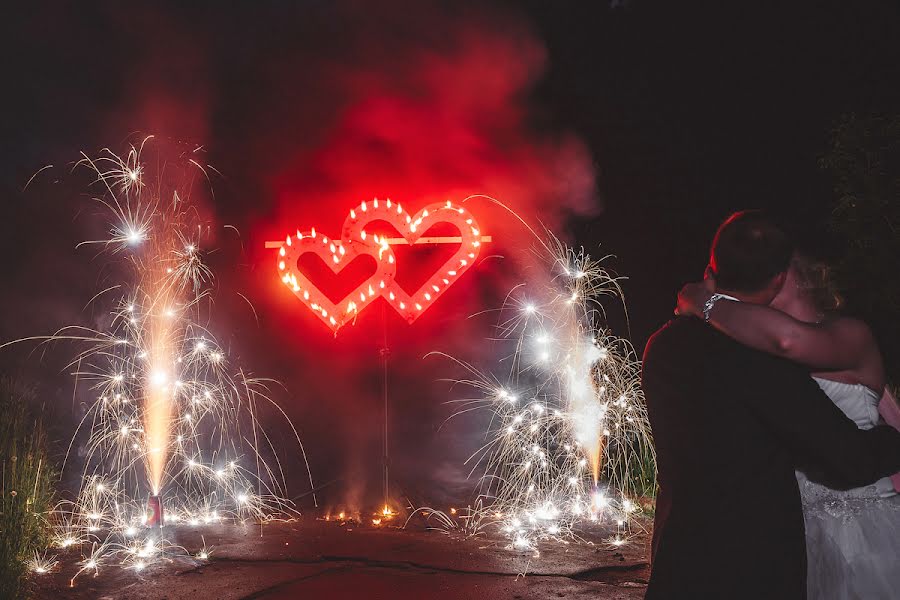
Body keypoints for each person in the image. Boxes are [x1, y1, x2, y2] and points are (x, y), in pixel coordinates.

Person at [641, 210, 900, 599]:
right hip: (755, 561)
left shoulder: (662, 344)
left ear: (712, 267)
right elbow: (844, 456)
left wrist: (702, 300)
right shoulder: (762, 359)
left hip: (685, 552)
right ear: (777, 278)